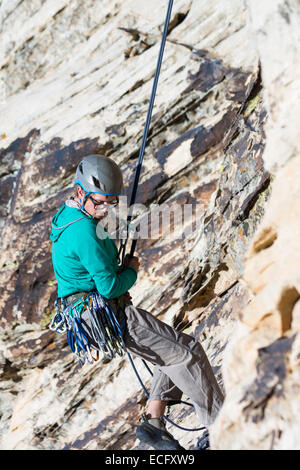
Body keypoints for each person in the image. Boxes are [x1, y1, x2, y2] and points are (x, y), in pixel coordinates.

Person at [50, 154, 224, 450]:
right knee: (186, 355)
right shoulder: (83, 231)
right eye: (100, 202)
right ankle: (226, 426)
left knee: (173, 349)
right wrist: (132, 270)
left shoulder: (72, 216)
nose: (106, 209)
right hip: (106, 313)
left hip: (94, 314)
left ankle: (155, 424)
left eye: (111, 202)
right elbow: (108, 286)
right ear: (80, 192)